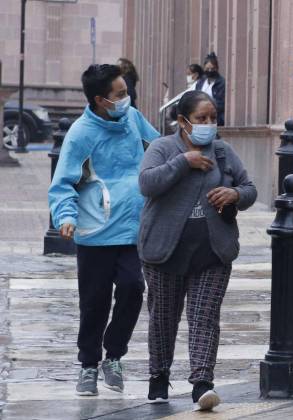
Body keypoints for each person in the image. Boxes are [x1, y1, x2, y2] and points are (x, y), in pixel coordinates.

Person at [138, 90, 256, 409]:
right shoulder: (163, 148)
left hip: (212, 251)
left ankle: (202, 383)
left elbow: (249, 188)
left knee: (204, 316)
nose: (208, 124)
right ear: (183, 121)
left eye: (213, 118)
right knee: (163, 318)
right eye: (201, 118)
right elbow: (147, 184)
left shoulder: (223, 152)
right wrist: (183, 162)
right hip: (166, 250)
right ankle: (159, 375)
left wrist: (234, 195)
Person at [48, 64, 160, 396]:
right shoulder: (81, 134)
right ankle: (88, 364)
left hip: (132, 227)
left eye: (127, 92)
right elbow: (63, 183)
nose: (127, 98)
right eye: (120, 94)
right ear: (100, 99)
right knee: (94, 301)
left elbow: (160, 150)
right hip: (95, 231)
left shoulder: (133, 119)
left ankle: (114, 355)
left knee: (132, 288)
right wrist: (65, 217)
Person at [194, 52, 226, 126]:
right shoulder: (200, 82)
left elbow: (221, 103)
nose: (210, 71)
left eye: (212, 69)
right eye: (207, 69)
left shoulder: (221, 83)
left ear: (217, 68)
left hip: (215, 118)